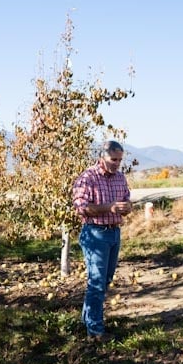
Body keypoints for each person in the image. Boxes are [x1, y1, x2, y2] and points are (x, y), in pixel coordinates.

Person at [72, 140, 132, 341]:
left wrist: (127, 207)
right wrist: (109, 207)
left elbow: (126, 199)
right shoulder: (87, 178)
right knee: (96, 282)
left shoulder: (120, 178)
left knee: (105, 281)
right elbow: (81, 207)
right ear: (102, 157)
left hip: (114, 233)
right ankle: (95, 332)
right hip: (95, 233)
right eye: (113, 159)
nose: (116, 163)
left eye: (120, 160)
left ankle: (88, 321)